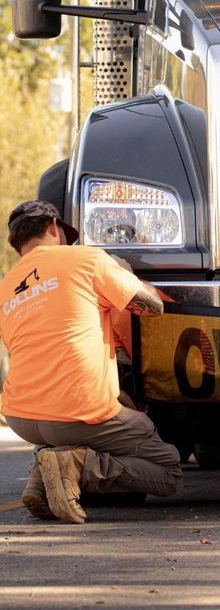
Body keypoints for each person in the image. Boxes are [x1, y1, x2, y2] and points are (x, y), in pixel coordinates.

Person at [0, 200, 182, 524]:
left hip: (21, 417)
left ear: (16, 244)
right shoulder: (85, 258)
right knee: (168, 469)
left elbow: (52, 355)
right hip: (76, 411)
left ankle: (43, 474)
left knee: (79, 424)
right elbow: (153, 307)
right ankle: (78, 466)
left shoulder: (4, 290)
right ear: (54, 228)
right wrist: (122, 273)